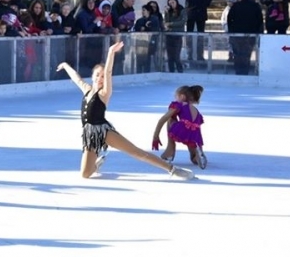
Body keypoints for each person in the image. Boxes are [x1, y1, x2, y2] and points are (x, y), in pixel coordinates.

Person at [56, 40, 195, 180]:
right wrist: (65, 65)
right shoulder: (87, 90)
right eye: (97, 75)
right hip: (89, 134)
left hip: (103, 131)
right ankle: (96, 165)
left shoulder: (104, 93)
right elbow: (77, 78)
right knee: (85, 174)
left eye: (103, 76)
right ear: (92, 76)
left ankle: (172, 169)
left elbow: (109, 71)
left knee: (136, 152)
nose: (100, 78)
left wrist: (111, 53)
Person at [151, 85, 207, 169]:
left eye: (176, 96)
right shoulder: (196, 110)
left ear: (182, 96)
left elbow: (163, 118)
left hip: (182, 130)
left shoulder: (178, 104)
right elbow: (197, 128)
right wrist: (199, 144)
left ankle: (170, 152)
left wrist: (156, 135)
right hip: (195, 135)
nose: (175, 98)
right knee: (193, 158)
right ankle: (197, 156)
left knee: (171, 118)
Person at [227, 0, 263, 75]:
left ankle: (238, 70)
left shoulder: (236, 6)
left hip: (237, 34)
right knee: (247, 53)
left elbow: (229, 19)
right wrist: (258, 31)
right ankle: (245, 70)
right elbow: (260, 21)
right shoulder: (255, 6)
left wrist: (231, 31)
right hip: (250, 35)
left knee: (237, 54)